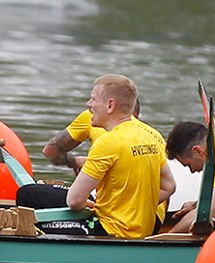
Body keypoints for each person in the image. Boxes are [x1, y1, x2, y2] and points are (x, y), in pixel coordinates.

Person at [34, 75, 175, 238]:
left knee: (30, 204)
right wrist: (134, 206)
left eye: (93, 99)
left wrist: (95, 206)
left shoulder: (107, 142)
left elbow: (74, 200)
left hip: (109, 231)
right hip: (142, 231)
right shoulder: (151, 136)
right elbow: (169, 186)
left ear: (110, 105)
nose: (88, 104)